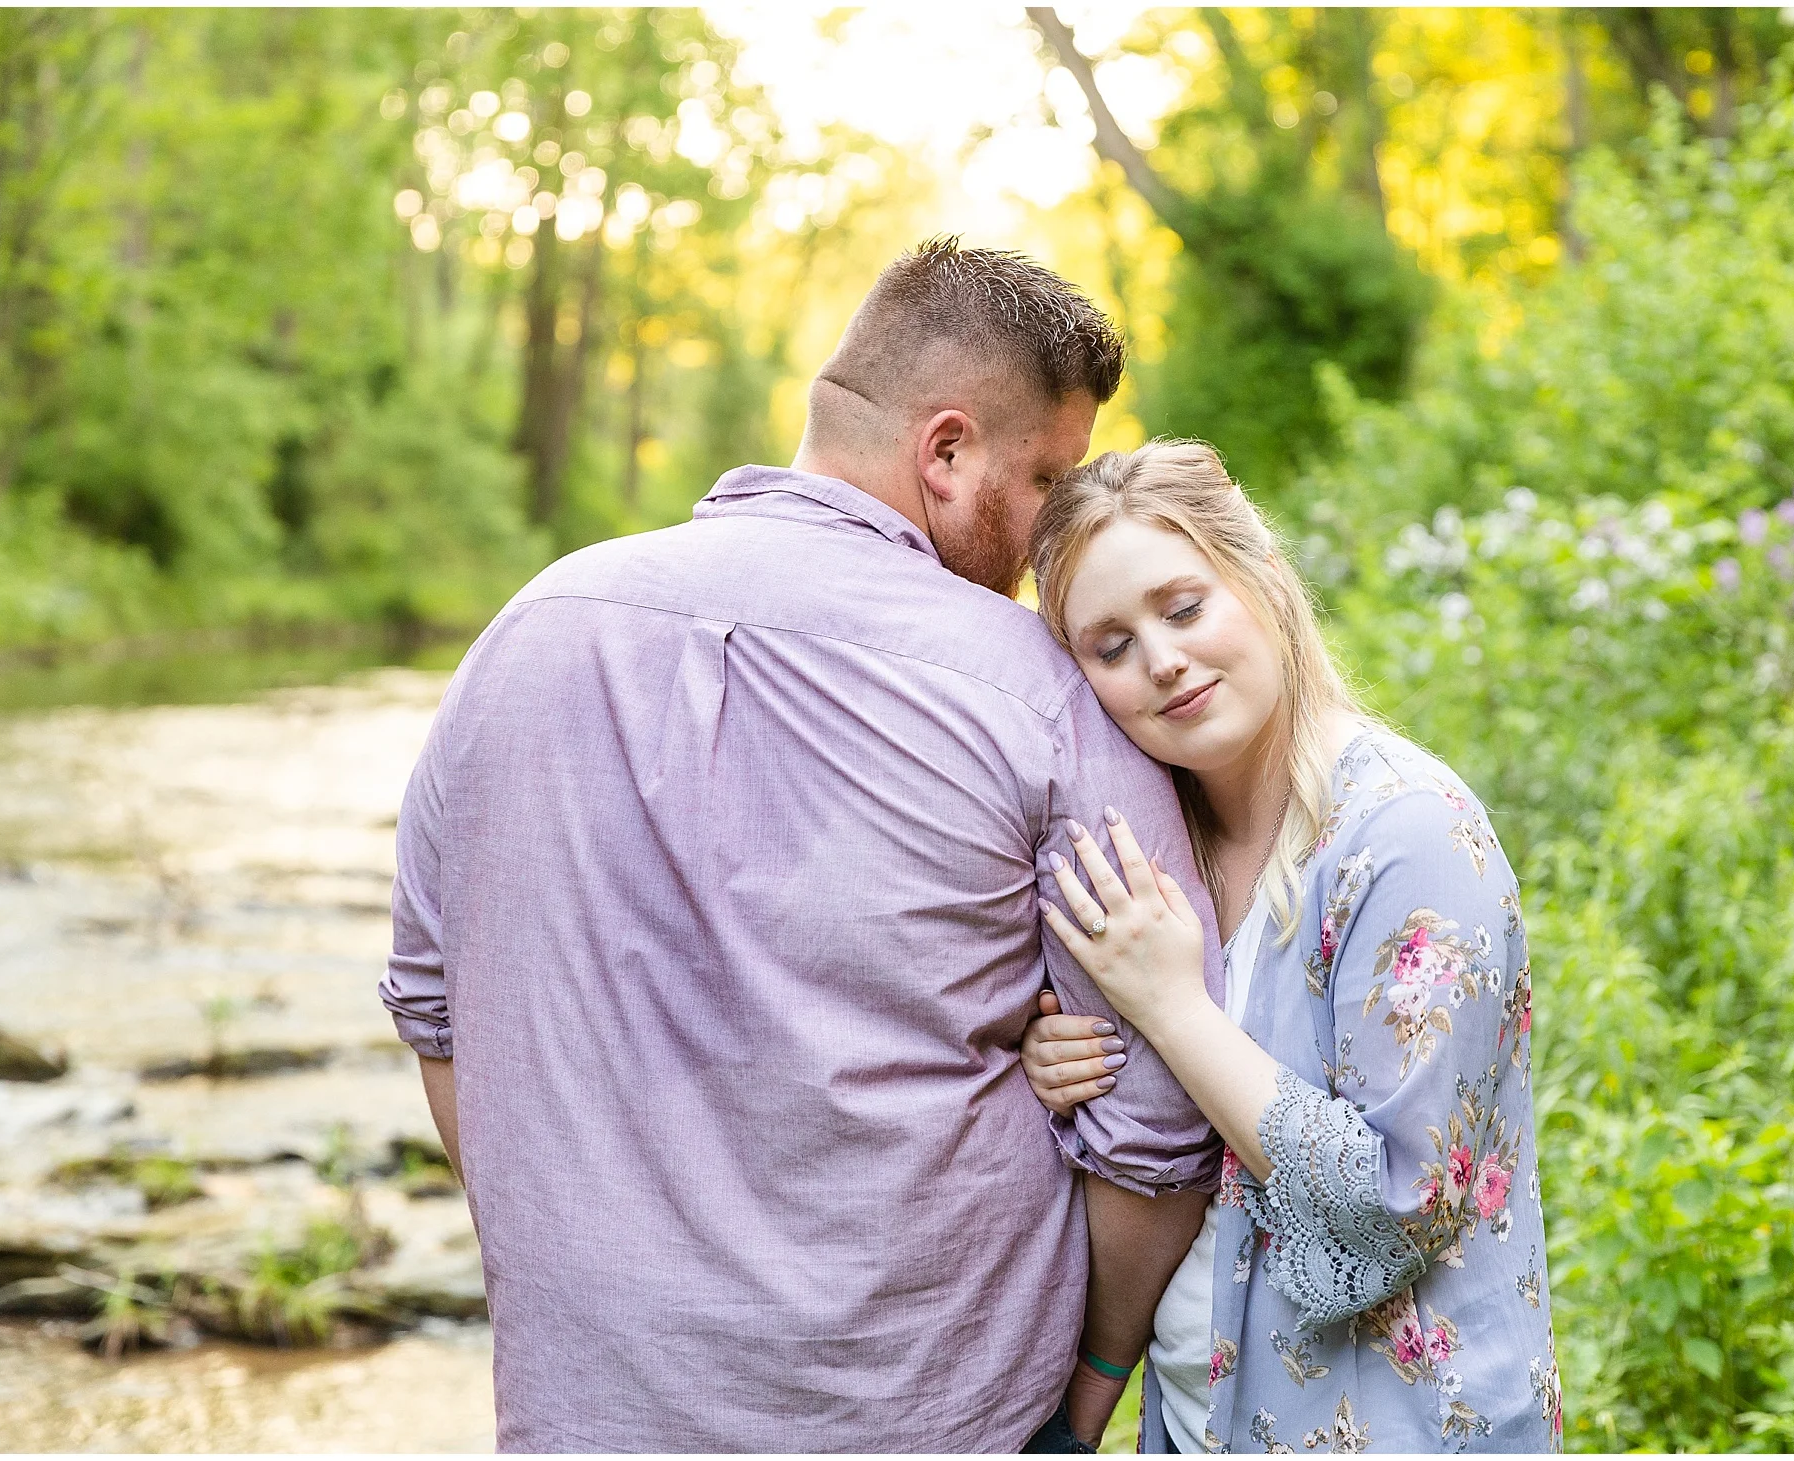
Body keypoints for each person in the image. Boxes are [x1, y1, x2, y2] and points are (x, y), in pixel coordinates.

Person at [377, 239, 1223, 1452]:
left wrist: (587, 1285)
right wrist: (1088, 1379)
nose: (1050, 541)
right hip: (928, 1422)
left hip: (588, 1416)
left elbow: (433, 1007)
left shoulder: (527, 630)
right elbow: (1154, 1117)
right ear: (945, 452)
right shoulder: (1037, 696)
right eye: (1047, 480)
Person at [1018, 441, 1562, 1452]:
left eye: (1182, 608)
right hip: (1198, 1419)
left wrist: (1174, 1012)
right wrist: (1062, 1068)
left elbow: (1396, 1205)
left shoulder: (1407, 835)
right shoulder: (1161, 847)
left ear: (1261, 572)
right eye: (1111, 645)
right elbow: (1161, 1141)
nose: (1162, 659)